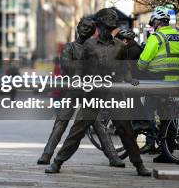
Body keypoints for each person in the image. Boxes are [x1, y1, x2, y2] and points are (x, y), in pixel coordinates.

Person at [45, 8, 151, 176]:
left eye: (113, 21)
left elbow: (125, 68)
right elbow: (81, 66)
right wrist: (80, 81)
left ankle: (139, 165)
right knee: (78, 129)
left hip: (114, 91)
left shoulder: (119, 46)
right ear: (101, 24)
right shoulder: (89, 45)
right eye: (109, 20)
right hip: (93, 92)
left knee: (126, 130)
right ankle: (57, 161)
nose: (111, 24)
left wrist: (130, 79)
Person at [38, 17, 125, 168]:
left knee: (98, 124)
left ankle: (113, 157)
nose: (86, 29)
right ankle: (46, 154)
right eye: (83, 26)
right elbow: (66, 67)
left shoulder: (95, 48)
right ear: (78, 28)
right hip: (73, 90)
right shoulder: (69, 47)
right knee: (61, 122)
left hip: (90, 92)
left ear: (93, 31)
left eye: (90, 27)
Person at [137, 7, 179, 163]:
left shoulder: (156, 37)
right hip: (175, 80)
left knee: (148, 110)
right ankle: (167, 150)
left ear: (156, 22)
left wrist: (138, 68)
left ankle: (152, 141)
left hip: (159, 80)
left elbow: (144, 60)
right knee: (167, 116)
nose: (153, 26)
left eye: (153, 23)